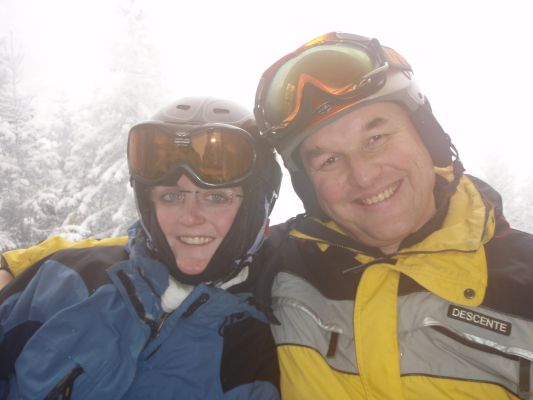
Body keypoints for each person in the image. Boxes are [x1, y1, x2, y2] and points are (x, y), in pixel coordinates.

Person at [252, 32, 533, 399]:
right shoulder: (277, 268)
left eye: (376, 138)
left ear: (427, 137)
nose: (364, 177)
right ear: (308, 187)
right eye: (329, 160)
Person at [0, 96, 281, 399]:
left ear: (256, 208)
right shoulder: (63, 282)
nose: (189, 218)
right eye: (171, 196)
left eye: (216, 198)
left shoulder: (269, 343)